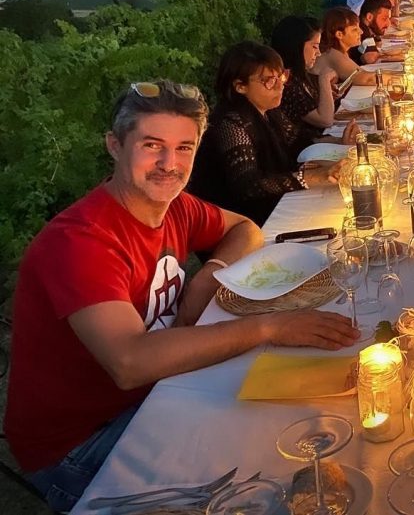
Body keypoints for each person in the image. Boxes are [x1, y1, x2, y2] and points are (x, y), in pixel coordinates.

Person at [5, 80, 359, 511]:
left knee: (303, 416)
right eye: (152, 145)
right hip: (84, 442)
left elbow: (243, 229)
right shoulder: (82, 241)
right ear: (115, 146)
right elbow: (130, 362)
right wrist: (270, 325)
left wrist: (207, 276)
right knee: (266, 463)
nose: (169, 164)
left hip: (161, 387)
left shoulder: (174, 204)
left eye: (184, 148)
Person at [189, 43, 352, 225]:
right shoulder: (230, 122)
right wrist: (312, 177)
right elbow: (248, 185)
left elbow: (297, 139)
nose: (279, 86)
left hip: (276, 204)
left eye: (281, 77)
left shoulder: (267, 109)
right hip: (242, 223)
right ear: (240, 86)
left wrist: (340, 140)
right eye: (268, 81)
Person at [270, 16, 337, 141]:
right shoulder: (286, 83)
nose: (318, 53)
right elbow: (325, 120)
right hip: (302, 153)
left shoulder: (299, 76)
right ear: (296, 46)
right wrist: (324, 80)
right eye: (314, 46)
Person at [317, 7, 376, 86]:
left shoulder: (340, 52)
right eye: (354, 29)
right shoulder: (332, 54)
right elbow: (368, 79)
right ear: (339, 34)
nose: (361, 32)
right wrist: (397, 77)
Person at [350, 0, 392, 66]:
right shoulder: (362, 31)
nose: (388, 24)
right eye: (384, 19)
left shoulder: (366, 27)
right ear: (369, 17)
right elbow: (370, 58)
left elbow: (377, 43)